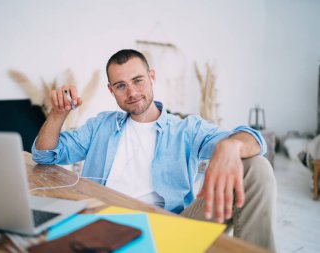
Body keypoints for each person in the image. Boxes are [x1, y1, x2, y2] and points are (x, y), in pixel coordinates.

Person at [32, 49, 276, 251]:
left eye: (138, 80)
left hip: (173, 228)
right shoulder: (100, 126)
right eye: (121, 86)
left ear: (151, 76)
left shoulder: (186, 129)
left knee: (256, 167)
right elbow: (43, 155)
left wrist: (230, 144)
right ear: (111, 90)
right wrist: (58, 114)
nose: (132, 92)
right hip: (104, 225)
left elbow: (255, 141)